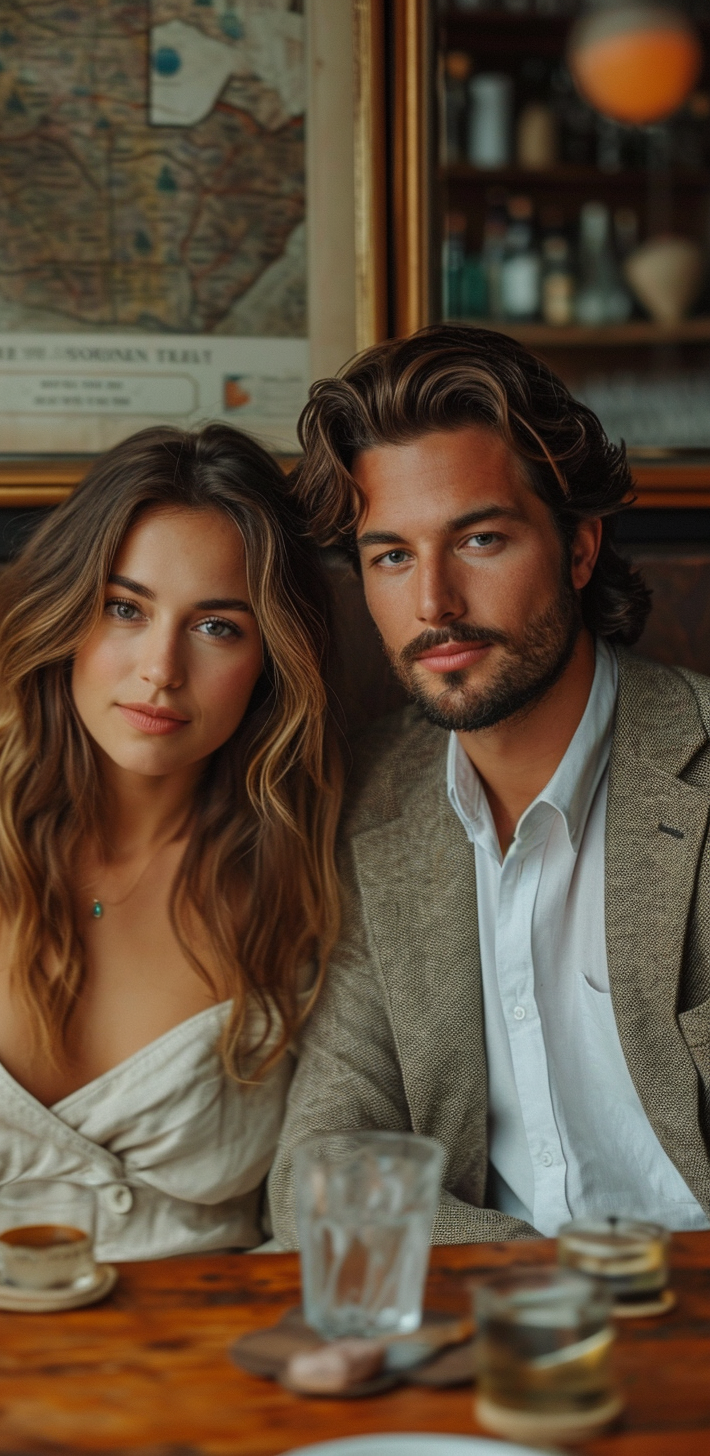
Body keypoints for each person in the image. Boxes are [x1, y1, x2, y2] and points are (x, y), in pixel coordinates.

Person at [268, 323, 710, 1246]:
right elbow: (325, 1166)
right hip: (491, 1328)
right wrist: (540, 1286)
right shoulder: (372, 801)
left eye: (478, 538)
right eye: (391, 555)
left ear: (580, 551)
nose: (433, 601)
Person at [0, 424, 341, 1269]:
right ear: (64, 615)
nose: (160, 669)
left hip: (219, 1363)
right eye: (124, 609)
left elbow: (338, 1201)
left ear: (272, 661)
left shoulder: (308, 875)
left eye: (217, 627)